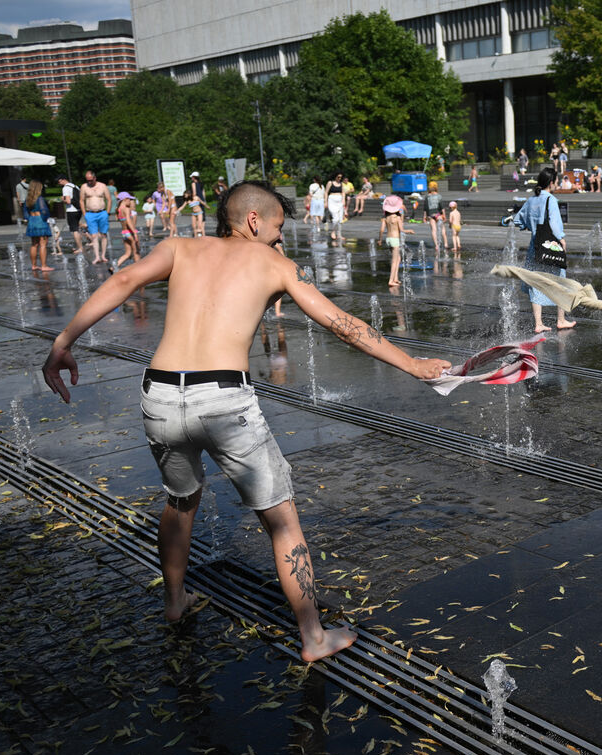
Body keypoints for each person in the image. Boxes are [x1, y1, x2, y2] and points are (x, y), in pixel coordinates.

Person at [41, 180, 450, 661]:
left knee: (181, 500)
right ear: (253, 220)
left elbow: (122, 281)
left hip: (160, 395)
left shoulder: (178, 247)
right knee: (281, 519)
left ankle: (175, 602)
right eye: (277, 226)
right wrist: (414, 365)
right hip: (224, 401)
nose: (280, 238)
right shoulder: (273, 263)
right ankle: (314, 637)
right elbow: (341, 323)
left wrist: (63, 342)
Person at [513, 167, 575, 332]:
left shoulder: (532, 200)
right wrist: (561, 239)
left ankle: (538, 323)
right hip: (551, 246)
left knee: (536, 282)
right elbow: (555, 225)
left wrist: (530, 226)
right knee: (559, 282)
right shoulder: (551, 200)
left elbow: (519, 220)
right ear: (551, 182)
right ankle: (561, 320)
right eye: (556, 181)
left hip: (535, 247)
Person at [378, 194, 413, 287]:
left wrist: (380, 240)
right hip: (395, 240)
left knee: (398, 259)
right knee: (394, 260)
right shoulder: (397, 218)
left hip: (388, 239)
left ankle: (395, 278)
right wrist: (409, 231)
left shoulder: (385, 218)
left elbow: (381, 230)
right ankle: (391, 280)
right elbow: (402, 230)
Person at [81, 170, 113, 266]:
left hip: (102, 212)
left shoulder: (102, 186)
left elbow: (109, 199)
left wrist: (107, 212)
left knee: (103, 234)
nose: (89, 182)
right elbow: (81, 200)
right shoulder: (84, 187)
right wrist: (84, 213)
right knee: (94, 236)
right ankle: (97, 257)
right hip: (90, 213)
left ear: (95, 178)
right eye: (88, 180)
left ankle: (103, 255)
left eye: (91, 180)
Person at [23, 180, 53, 271]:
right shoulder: (39, 198)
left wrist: (29, 219)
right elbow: (44, 210)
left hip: (32, 221)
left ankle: (34, 265)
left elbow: (25, 213)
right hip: (40, 220)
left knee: (34, 244)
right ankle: (44, 266)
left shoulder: (28, 199)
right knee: (43, 244)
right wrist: (47, 217)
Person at [113, 192, 141, 271]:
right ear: (125, 199)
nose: (131, 201)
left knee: (128, 254)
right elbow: (128, 221)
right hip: (130, 232)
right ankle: (138, 269)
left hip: (124, 233)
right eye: (129, 199)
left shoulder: (119, 209)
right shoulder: (126, 209)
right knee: (136, 252)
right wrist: (135, 232)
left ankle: (113, 267)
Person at [58, 176, 85, 255]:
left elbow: (68, 201)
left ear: (63, 179)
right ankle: (80, 246)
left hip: (71, 210)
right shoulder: (75, 186)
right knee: (77, 228)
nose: (58, 183)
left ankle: (80, 248)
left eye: (59, 181)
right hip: (78, 209)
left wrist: (63, 199)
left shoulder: (65, 188)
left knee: (74, 230)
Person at [422, 181, 448, 250]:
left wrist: (424, 216)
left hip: (430, 214)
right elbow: (442, 207)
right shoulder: (439, 196)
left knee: (434, 230)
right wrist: (444, 215)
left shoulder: (427, 196)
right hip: (438, 214)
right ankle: (445, 244)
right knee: (442, 229)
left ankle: (436, 245)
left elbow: (425, 207)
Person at [325, 172, 347, 241]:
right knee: (335, 218)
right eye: (338, 177)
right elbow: (326, 192)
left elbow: (343, 192)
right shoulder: (330, 183)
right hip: (332, 200)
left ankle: (339, 234)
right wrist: (325, 202)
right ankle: (333, 231)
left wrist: (344, 200)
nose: (339, 179)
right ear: (335, 176)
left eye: (341, 177)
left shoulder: (341, 184)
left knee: (340, 219)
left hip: (339, 201)